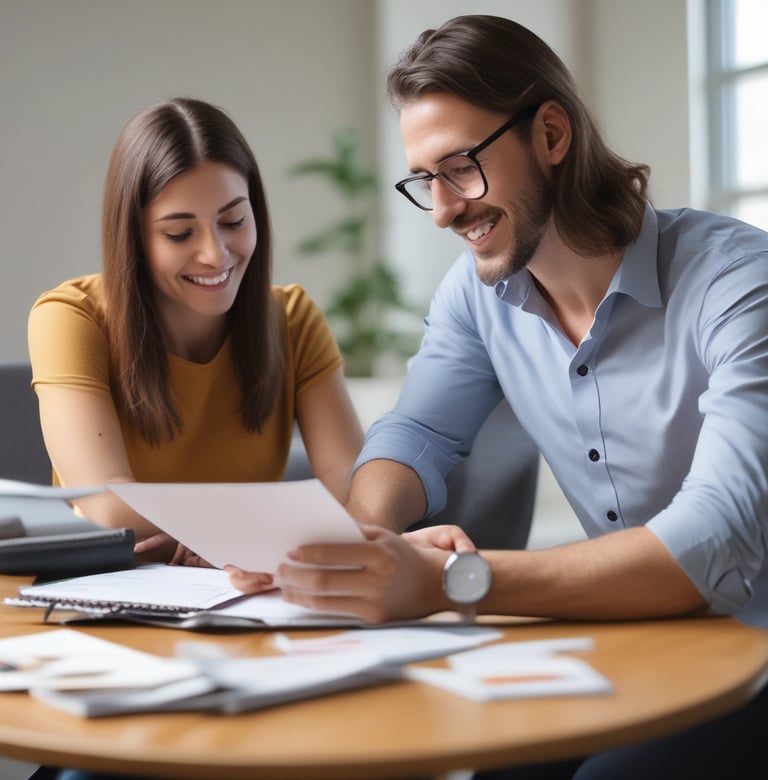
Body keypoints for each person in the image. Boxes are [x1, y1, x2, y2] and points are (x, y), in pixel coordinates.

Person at [229, 14, 768, 780]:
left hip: (754, 647)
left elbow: (712, 538)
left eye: (460, 168)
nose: (444, 208)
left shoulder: (738, 282)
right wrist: (357, 547)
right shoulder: (477, 297)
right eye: (425, 180)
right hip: (633, 635)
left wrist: (454, 583)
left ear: (551, 134)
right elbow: (415, 430)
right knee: (493, 766)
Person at [27, 96, 364, 571]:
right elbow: (108, 509)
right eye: (180, 234)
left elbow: (353, 491)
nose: (216, 254)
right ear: (135, 238)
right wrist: (259, 535)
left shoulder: (292, 319)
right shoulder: (70, 317)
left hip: (250, 589)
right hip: (116, 589)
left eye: (233, 221)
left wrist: (220, 542)